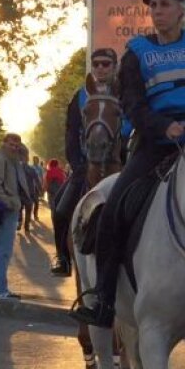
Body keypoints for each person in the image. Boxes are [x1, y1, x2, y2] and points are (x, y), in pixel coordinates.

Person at [72, 0, 185, 327]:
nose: (158, 11)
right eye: (154, 5)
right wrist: (163, 127)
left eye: (165, 5)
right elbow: (131, 102)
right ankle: (103, 296)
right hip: (157, 142)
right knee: (113, 209)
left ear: (180, 10)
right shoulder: (136, 52)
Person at [50, 47, 121, 276]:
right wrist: (77, 161)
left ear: (114, 67)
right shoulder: (80, 96)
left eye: (106, 64)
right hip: (86, 163)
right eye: (96, 64)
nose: (100, 68)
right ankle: (63, 258)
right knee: (60, 209)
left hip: (120, 160)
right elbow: (71, 131)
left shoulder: (126, 93)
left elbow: (131, 122)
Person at [0, 133, 24, 298]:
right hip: (7, 209)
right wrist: (8, 201)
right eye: (11, 144)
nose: (14, 147)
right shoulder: (1, 159)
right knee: (4, 250)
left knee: (2, 248)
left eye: (16, 145)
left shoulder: (12, 160)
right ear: (4, 143)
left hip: (11, 208)